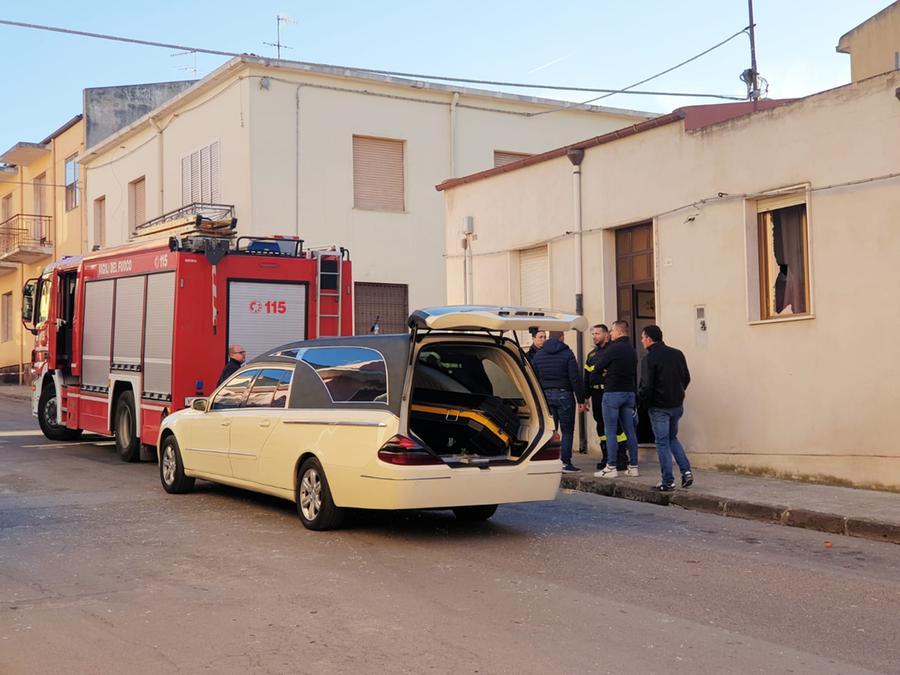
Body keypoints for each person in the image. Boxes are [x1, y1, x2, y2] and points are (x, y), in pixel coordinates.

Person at [639, 325, 693, 491]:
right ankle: (686, 472)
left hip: (659, 407)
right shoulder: (677, 354)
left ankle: (667, 481)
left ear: (648, 339)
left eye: (642, 337)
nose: (641, 341)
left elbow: (646, 386)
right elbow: (686, 378)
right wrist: (678, 393)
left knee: (662, 443)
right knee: (672, 438)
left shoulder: (649, 359)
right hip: (676, 405)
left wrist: (642, 405)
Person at [532, 331, 584, 473]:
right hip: (564, 394)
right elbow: (575, 378)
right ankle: (565, 463)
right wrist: (581, 399)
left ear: (548, 338)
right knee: (567, 431)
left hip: (546, 396)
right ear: (562, 338)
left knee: (550, 430)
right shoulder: (567, 353)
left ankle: (549, 460)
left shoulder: (539, 355)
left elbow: (534, 378)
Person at [593, 320, 639, 479]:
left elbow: (597, 367)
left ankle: (611, 466)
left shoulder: (613, 348)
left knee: (610, 431)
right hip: (629, 393)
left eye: (612, 331)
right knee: (630, 431)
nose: (610, 334)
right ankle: (633, 466)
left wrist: (606, 372)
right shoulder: (632, 350)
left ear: (618, 332)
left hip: (613, 393)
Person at [583, 324, 628, 471]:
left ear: (606, 335)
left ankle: (622, 458)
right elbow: (587, 377)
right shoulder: (591, 355)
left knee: (616, 426)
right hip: (596, 394)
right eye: (593, 334)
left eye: (597, 333)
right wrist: (585, 397)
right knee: (601, 425)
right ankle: (606, 457)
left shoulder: (612, 350)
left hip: (609, 392)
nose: (594, 336)